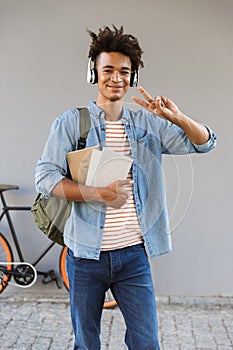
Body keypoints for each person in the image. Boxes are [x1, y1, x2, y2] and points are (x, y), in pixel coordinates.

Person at [35, 25, 216, 350]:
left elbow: (204, 144)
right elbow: (45, 177)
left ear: (132, 77)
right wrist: (94, 193)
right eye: (108, 70)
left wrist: (178, 118)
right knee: (86, 343)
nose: (116, 78)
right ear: (94, 72)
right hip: (84, 255)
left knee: (147, 344)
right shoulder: (71, 123)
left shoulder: (147, 123)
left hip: (134, 256)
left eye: (124, 71)